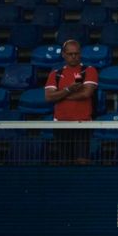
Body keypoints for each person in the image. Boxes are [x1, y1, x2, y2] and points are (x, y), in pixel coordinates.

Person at [43, 37, 98, 165]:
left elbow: (86, 93)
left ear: (80, 53)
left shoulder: (88, 71)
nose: (73, 56)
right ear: (63, 55)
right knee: (64, 162)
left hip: (82, 123)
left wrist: (61, 95)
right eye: (70, 54)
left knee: (82, 161)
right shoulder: (55, 74)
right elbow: (48, 97)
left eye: (76, 53)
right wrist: (69, 89)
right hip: (61, 124)